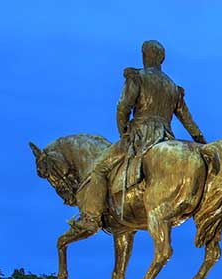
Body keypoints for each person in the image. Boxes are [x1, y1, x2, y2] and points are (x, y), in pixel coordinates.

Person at [73, 40, 207, 236]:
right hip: (165, 137)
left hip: (140, 135)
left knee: (100, 168)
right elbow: (188, 120)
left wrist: (124, 133)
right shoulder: (173, 87)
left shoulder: (138, 77)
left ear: (145, 57)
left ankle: (91, 218)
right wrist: (201, 143)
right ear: (162, 59)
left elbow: (123, 108)